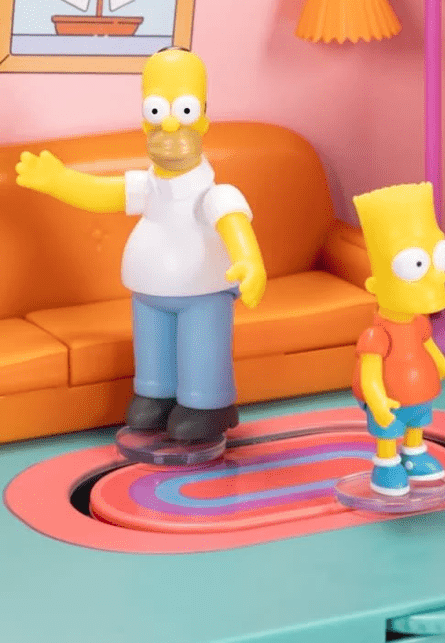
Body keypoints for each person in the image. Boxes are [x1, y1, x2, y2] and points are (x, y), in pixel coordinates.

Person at [15, 48, 266, 442]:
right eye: (156, 113)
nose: (169, 127)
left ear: (202, 118)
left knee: (202, 346)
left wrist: (250, 264)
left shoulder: (214, 193)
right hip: (148, 292)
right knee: (152, 348)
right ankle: (156, 396)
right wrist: (58, 181)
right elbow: (103, 192)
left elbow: (233, 224)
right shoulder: (148, 185)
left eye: (183, 112)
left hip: (202, 293)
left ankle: (207, 404)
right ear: (145, 120)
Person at [352, 182, 445, 496]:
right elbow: (370, 372)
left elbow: (428, 345)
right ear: (376, 285)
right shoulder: (377, 335)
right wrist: (377, 399)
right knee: (389, 430)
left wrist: (444, 367)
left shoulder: (418, 322)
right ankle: (386, 465)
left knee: (417, 423)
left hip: (418, 391)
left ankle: (415, 455)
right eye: (416, 265)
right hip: (391, 396)